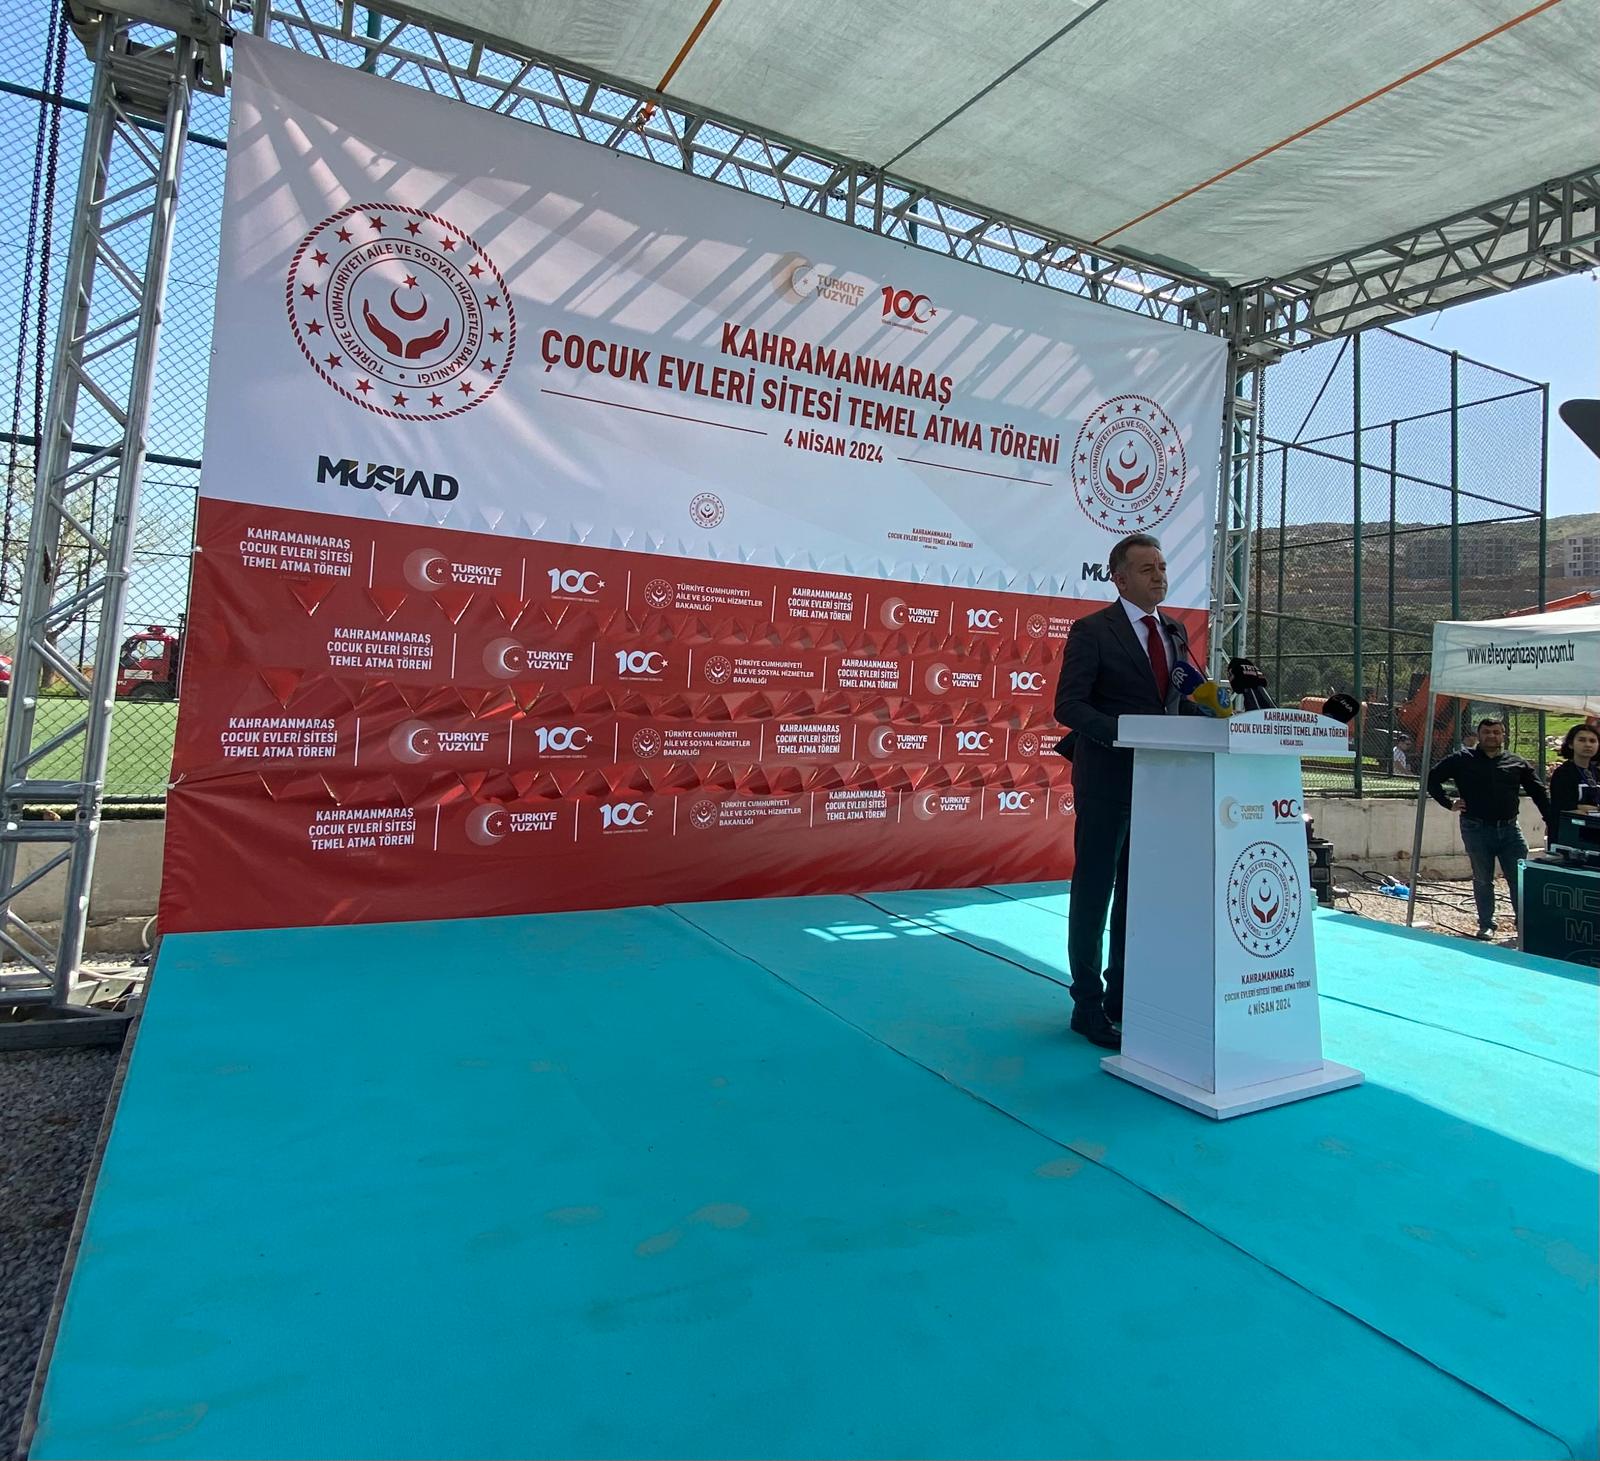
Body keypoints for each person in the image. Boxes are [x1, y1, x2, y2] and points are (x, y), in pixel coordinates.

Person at [1053, 532, 1202, 1049]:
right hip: (1106, 779)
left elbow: (1182, 698)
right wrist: (1123, 732)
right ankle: (1087, 1005)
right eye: (1146, 569)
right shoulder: (1093, 630)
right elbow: (1069, 705)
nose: (1159, 576)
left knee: (1137, 895)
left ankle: (1122, 997)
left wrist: (1222, 711)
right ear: (1118, 579)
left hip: (1159, 783)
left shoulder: (1175, 631)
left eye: (1162, 567)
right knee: (1095, 892)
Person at [1426, 717, 1551, 940]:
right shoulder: (1462, 759)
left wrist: (1551, 819)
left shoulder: (1516, 763)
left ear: (1503, 736)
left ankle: (1524, 924)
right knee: (1483, 878)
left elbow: (1538, 791)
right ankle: (1486, 924)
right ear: (1478, 735)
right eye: (1486, 732)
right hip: (1476, 828)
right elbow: (1431, 779)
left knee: (1519, 878)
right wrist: (1448, 803)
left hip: (1510, 830)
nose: (1491, 736)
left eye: (1496, 732)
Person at [1547, 723, 1600, 839]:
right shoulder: (1563, 773)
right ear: (1571, 744)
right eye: (1582, 740)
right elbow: (1565, 807)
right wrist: (1592, 809)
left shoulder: (1597, 772)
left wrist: (1583, 807)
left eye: (1592, 741)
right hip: (1568, 834)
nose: (1588, 744)